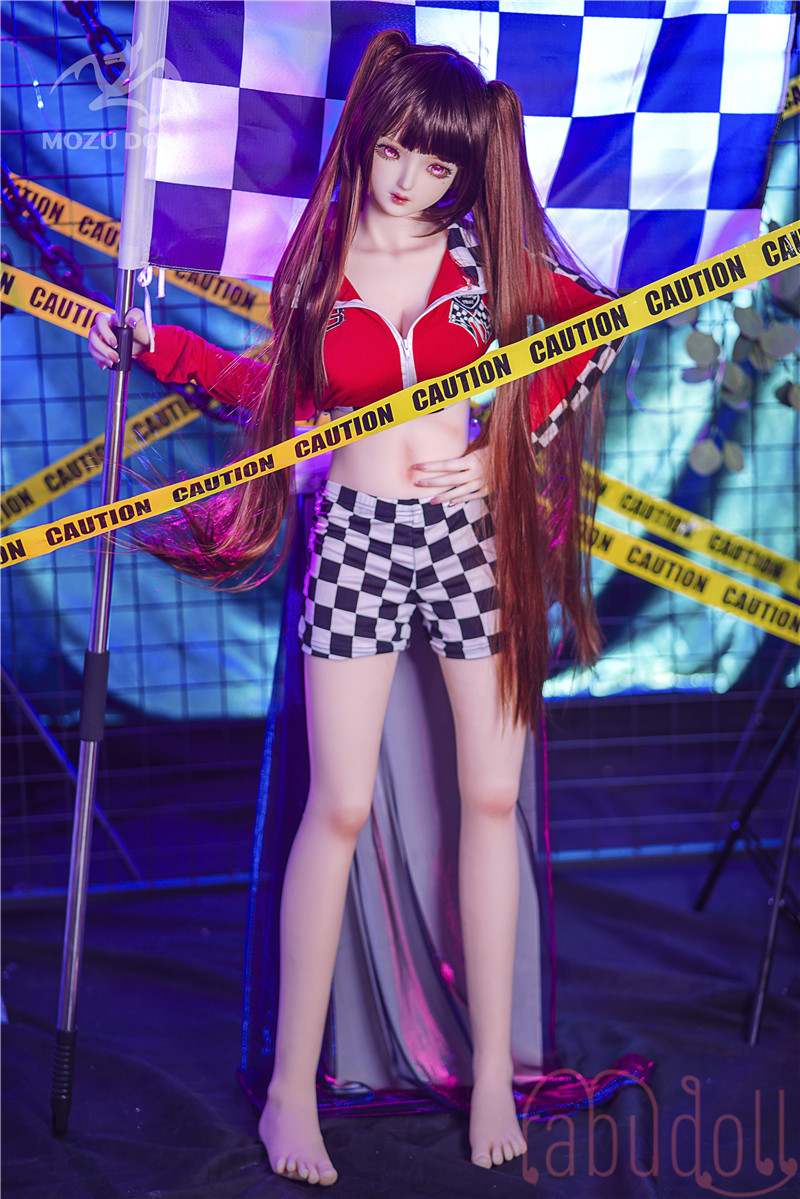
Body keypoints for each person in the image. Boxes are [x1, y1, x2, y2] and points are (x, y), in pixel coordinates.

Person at [90, 30, 621, 1186]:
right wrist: (158, 346)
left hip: (473, 546)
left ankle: (492, 1072)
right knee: (334, 807)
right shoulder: (318, 263)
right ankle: (292, 1090)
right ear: (367, 136)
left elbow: (592, 327)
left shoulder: (485, 257)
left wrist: (501, 449)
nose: (410, 180)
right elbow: (269, 393)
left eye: (437, 165)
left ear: (463, 170)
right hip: (358, 541)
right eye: (394, 151)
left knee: (492, 798)